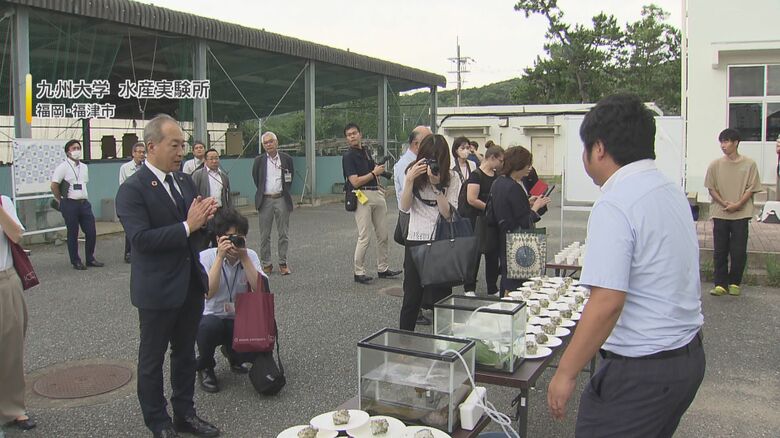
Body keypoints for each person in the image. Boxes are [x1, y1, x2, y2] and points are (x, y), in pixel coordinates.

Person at [546, 94, 705, 437]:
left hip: (642, 372)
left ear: (598, 148)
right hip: (686, 358)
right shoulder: (669, 189)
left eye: (584, 147)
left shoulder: (616, 203)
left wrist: (565, 372)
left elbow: (607, 302)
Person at [116, 114, 220, 438]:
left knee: (185, 353)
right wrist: (189, 225)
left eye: (183, 146)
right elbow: (142, 241)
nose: (181, 152)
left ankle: (185, 414)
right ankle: (158, 422)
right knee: (151, 360)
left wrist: (207, 221)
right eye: (175, 145)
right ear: (151, 146)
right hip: (157, 290)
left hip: (188, 284)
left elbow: (195, 234)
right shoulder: (132, 190)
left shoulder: (184, 181)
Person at [196, 209, 264, 393]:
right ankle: (205, 366)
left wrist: (245, 258)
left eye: (240, 237)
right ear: (219, 238)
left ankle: (235, 355)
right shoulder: (206, 257)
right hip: (211, 318)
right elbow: (208, 293)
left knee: (263, 335)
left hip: (238, 319)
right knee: (208, 327)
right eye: (230, 238)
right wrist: (220, 257)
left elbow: (261, 291)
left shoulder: (250, 255)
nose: (235, 242)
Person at [398, 134, 461, 331]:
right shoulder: (412, 174)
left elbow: (448, 214)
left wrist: (436, 187)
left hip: (441, 243)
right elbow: (405, 208)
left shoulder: (452, 177)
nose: (432, 163)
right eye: (428, 158)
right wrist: (409, 181)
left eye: (436, 159)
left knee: (442, 301)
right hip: (416, 241)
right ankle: (404, 345)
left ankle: (443, 347)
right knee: (411, 298)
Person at [704, 128, 762, 297]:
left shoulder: (749, 164)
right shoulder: (715, 164)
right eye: (721, 142)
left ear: (736, 142)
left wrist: (737, 205)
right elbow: (711, 187)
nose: (723, 145)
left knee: (738, 250)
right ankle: (720, 284)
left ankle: (735, 282)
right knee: (720, 249)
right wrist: (724, 203)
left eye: (727, 141)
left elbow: (751, 188)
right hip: (720, 212)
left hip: (741, 213)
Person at [342, 122, 401, 284]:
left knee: (383, 234)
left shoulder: (366, 151)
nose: (352, 136)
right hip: (361, 195)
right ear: (347, 138)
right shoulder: (348, 156)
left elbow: (372, 170)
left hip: (376, 193)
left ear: (360, 134)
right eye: (349, 135)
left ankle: (383, 268)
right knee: (365, 236)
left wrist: (379, 179)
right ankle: (358, 272)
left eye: (354, 133)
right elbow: (354, 181)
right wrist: (374, 172)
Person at [490, 146, 550, 293]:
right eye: (527, 165)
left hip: (503, 238)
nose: (529, 168)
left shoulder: (498, 182)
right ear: (518, 165)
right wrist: (535, 207)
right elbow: (524, 221)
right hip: (518, 242)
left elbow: (508, 209)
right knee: (518, 284)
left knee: (507, 278)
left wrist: (527, 202)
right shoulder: (514, 187)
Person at [0, 194, 35, 431]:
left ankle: (13, 408)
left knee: (11, 348)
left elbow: (15, 235)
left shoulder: (4, 202)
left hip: (5, 280)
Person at [394, 126, 433, 325]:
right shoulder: (407, 164)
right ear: (417, 144)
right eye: (428, 141)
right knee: (413, 267)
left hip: (418, 217)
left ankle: (420, 304)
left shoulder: (418, 162)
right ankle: (415, 310)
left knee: (419, 266)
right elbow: (406, 200)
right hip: (410, 217)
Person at [50, 139, 104, 270]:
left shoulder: (84, 167)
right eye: (73, 148)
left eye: (78, 148)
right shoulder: (62, 167)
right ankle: (76, 261)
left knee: (91, 232)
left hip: (84, 203)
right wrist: (61, 200)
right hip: (70, 203)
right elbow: (54, 185)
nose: (76, 150)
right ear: (68, 152)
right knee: (73, 233)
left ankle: (90, 258)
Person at [252, 132, 294, 276]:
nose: (269, 145)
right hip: (265, 200)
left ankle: (283, 263)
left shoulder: (286, 159)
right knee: (265, 235)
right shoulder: (259, 161)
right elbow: (256, 178)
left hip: (281, 198)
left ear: (276, 142)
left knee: (283, 233)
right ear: (263, 146)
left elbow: (290, 177)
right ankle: (267, 264)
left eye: (271, 142)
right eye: (266, 143)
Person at [464, 145, 504, 296]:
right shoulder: (476, 175)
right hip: (478, 220)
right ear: (492, 157)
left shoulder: (497, 175)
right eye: (500, 160)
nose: (501, 164)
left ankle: (492, 286)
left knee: (492, 254)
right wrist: (489, 207)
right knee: (474, 254)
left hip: (492, 221)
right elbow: (471, 199)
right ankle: (469, 287)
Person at [119, 142, 147, 263]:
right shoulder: (125, 168)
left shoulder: (147, 166)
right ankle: (129, 253)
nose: (141, 154)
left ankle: (143, 251)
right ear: (133, 153)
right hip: (133, 202)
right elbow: (122, 185)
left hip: (146, 201)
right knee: (131, 228)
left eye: (143, 152)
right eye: (139, 152)